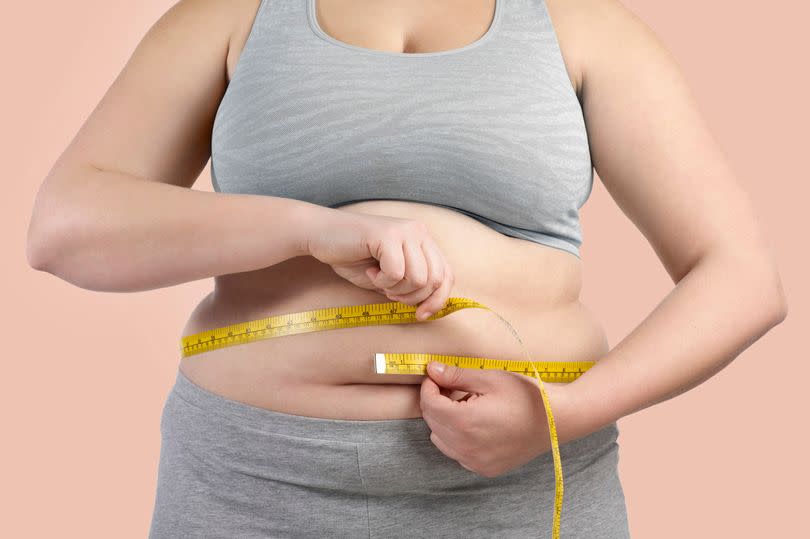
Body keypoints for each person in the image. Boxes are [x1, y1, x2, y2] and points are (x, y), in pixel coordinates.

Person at [26, 0, 787, 537]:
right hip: (251, 483)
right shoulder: (233, 14)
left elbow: (742, 275)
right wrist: (308, 228)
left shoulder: (584, 26)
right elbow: (65, 228)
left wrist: (559, 416)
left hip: (519, 484)